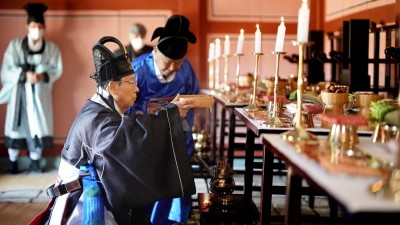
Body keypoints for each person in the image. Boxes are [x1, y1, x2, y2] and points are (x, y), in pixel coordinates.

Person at [29, 36, 196, 225]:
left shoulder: (101, 110)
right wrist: (168, 117)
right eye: (132, 83)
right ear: (113, 87)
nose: (138, 89)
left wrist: (169, 115)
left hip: (101, 196)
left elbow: (128, 134)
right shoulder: (95, 119)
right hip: (83, 206)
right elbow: (126, 145)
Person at [125, 15, 199, 225]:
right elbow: (128, 109)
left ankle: (176, 221)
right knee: (149, 188)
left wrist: (182, 124)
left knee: (178, 187)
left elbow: (192, 99)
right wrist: (159, 115)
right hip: (146, 138)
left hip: (178, 136)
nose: (174, 68)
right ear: (155, 51)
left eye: (179, 62)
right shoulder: (138, 70)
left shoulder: (186, 70)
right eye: (168, 62)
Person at [0, 3, 63, 173]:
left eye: (40, 26)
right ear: (27, 26)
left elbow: (56, 69)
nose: (37, 29)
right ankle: (13, 162)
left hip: (39, 93)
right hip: (19, 93)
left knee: (38, 125)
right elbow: (7, 68)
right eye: (34, 26)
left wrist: (41, 75)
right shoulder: (15, 45)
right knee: (16, 125)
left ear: (44, 27)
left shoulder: (51, 48)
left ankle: (35, 161)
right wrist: (23, 74)